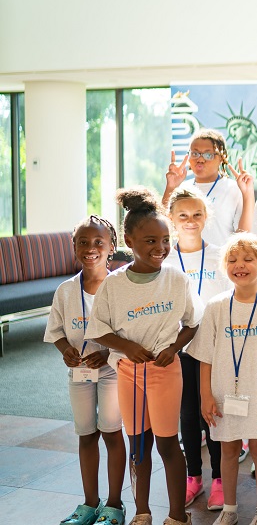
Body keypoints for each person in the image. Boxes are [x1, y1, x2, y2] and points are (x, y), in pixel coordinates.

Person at [85, 187, 202, 525]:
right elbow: (98, 330)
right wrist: (127, 347)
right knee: (138, 448)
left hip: (165, 373)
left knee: (168, 445)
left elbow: (191, 325)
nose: (160, 248)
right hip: (128, 374)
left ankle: (178, 515)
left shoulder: (177, 280)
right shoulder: (113, 284)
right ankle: (142, 512)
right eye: (150, 241)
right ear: (128, 240)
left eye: (165, 240)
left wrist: (172, 348)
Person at [191, 233, 257, 525]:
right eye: (233, 260)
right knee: (228, 450)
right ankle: (230, 509)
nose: (240, 265)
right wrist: (206, 396)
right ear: (224, 267)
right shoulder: (216, 307)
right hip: (223, 395)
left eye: (248, 259)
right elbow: (205, 356)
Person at [45, 216, 127, 525]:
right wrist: (65, 348)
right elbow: (56, 331)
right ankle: (90, 504)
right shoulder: (66, 291)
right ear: (74, 246)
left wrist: (108, 352)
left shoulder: (121, 287)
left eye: (98, 243)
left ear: (111, 247)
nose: (90, 249)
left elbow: (129, 333)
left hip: (112, 371)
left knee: (111, 432)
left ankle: (115, 505)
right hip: (79, 373)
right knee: (86, 434)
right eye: (83, 242)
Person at [164, 187, 232, 511]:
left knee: (212, 414)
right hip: (178, 348)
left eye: (196, 214)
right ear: (172, 219)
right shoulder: (164, 260)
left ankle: (219, 478)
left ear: (206, 217)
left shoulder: (221, 254)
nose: (190, 221)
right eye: (183, 215)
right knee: (188, 415)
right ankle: (194, 476)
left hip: (215, 350)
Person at [162, 128, 255, 247]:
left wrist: (248, 194)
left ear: (222, 158)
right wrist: (170, 187)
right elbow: (163, 227)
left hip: (221, 261)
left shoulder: (234, 188)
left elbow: (244, 234)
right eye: (195, 153)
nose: (200, 159)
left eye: (208, 154)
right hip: (185, 261)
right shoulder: (182, 188)